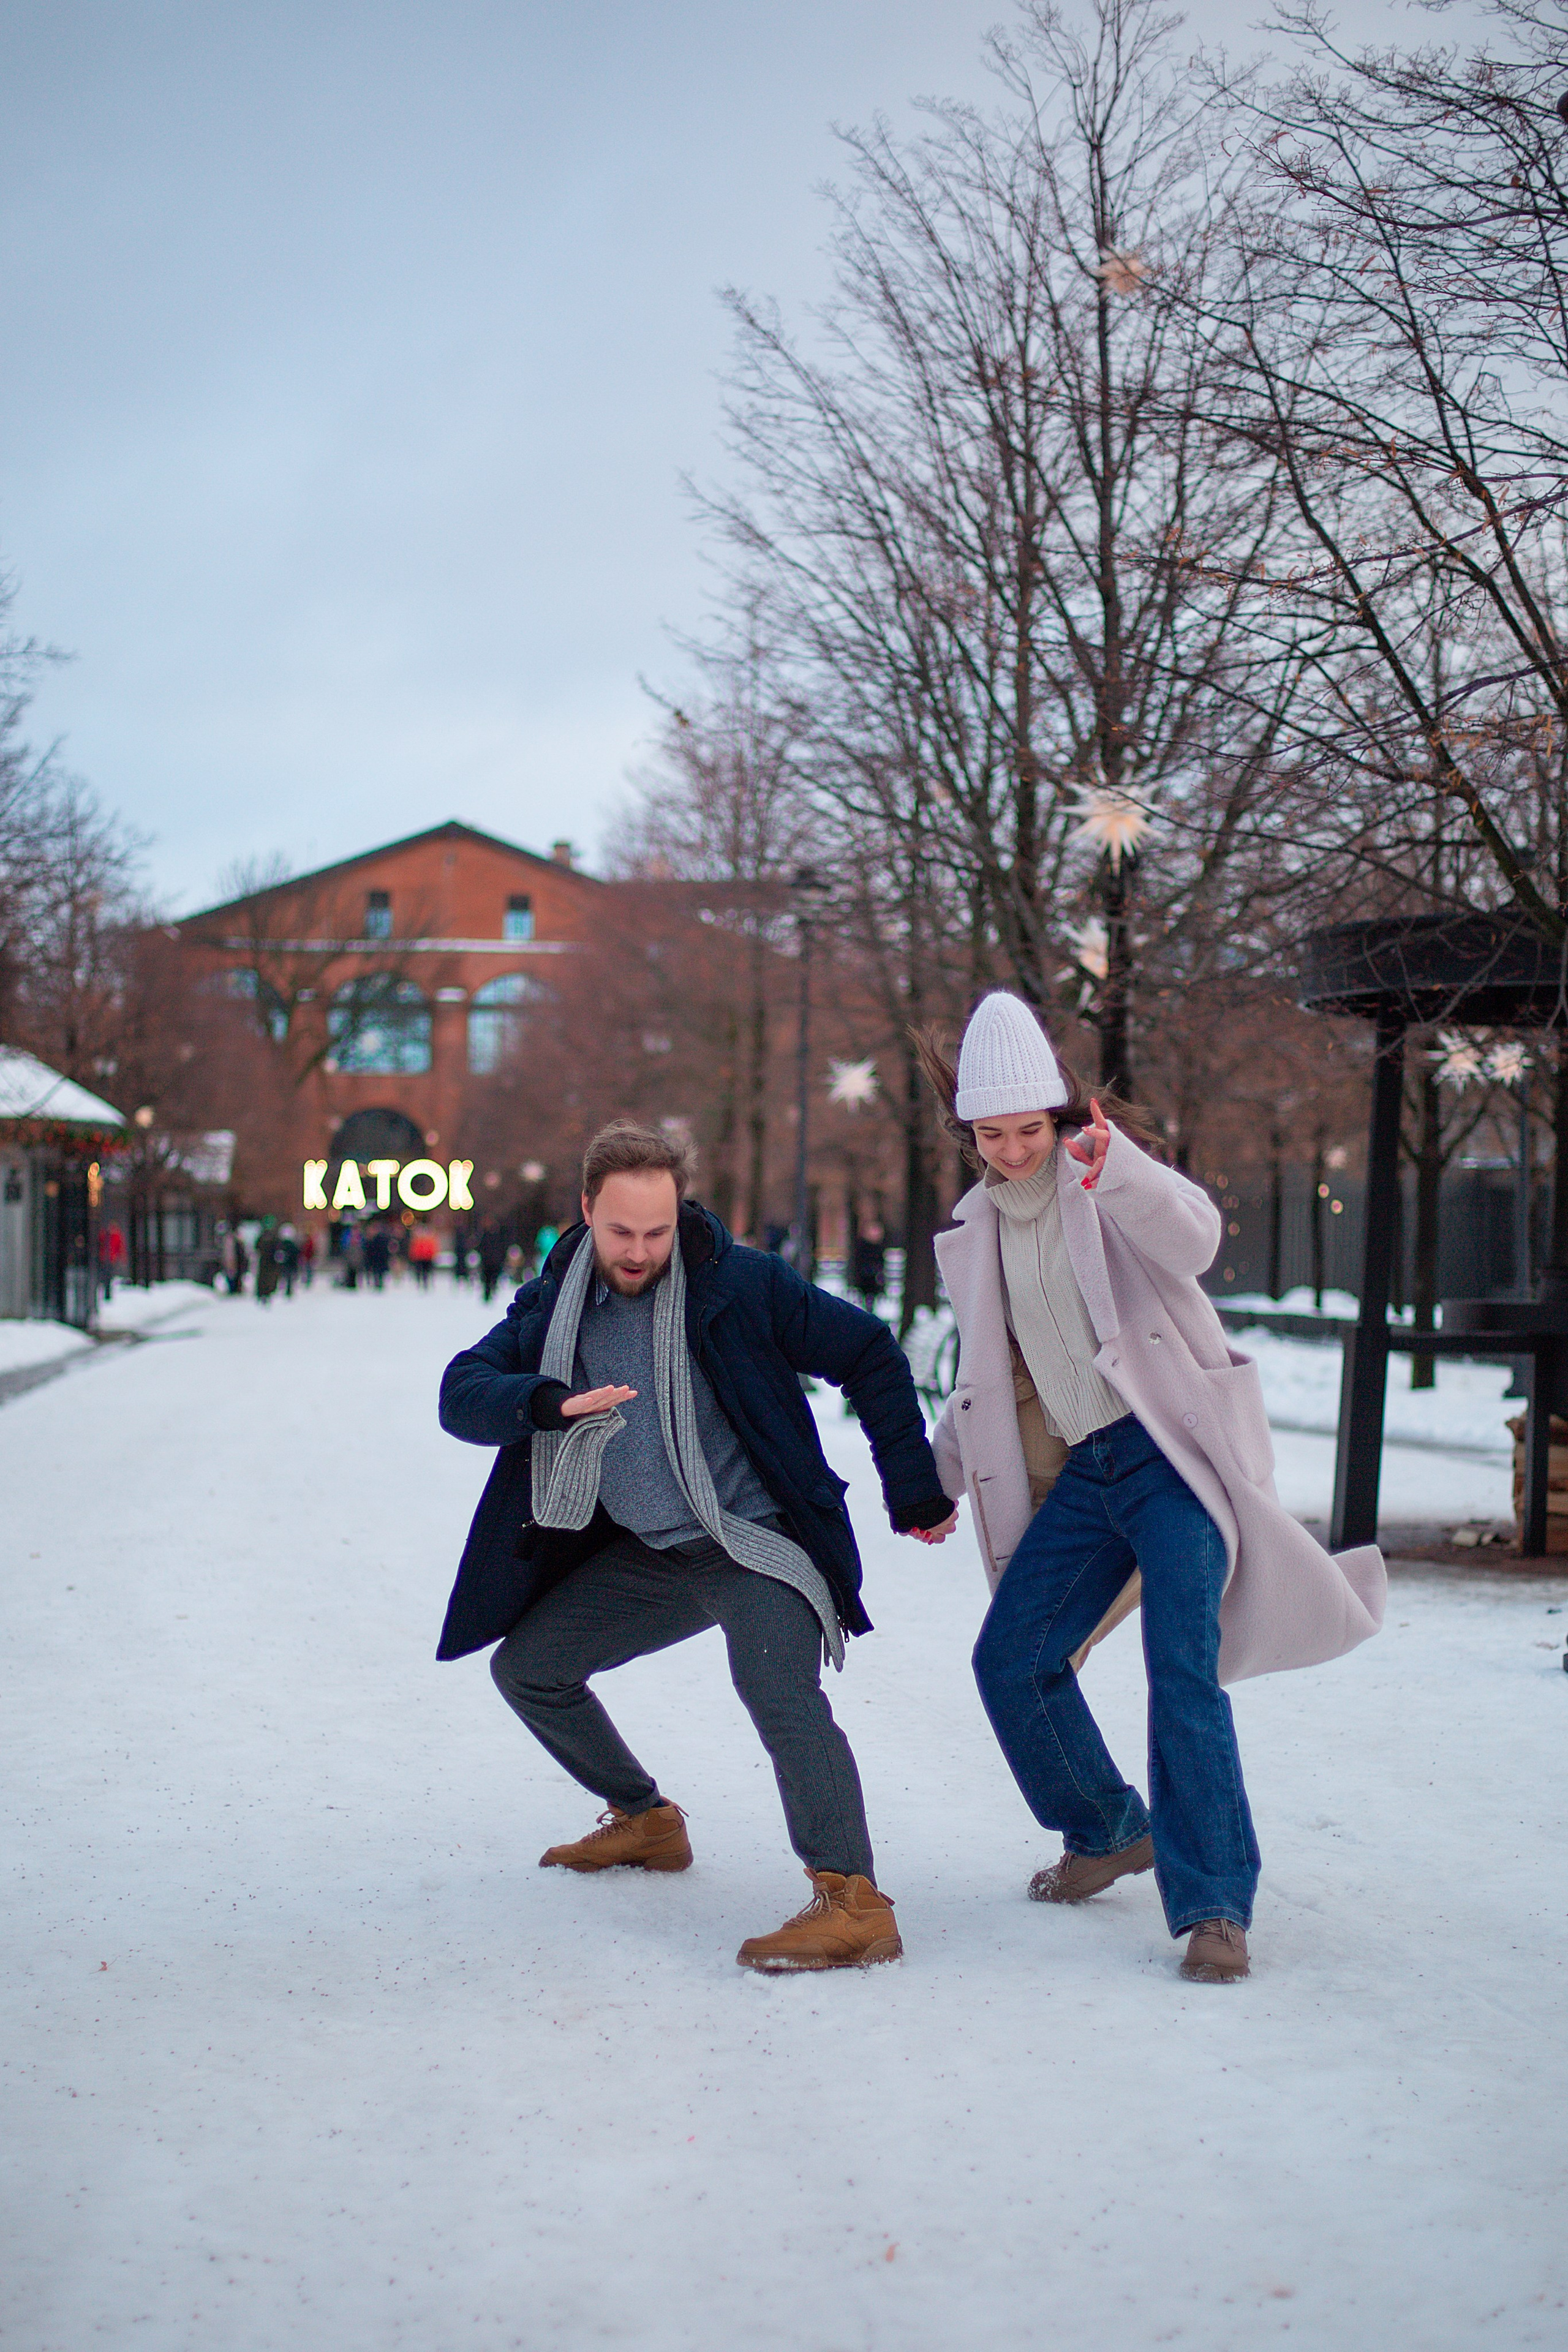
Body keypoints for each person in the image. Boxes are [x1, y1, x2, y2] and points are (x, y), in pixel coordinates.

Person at [922, 994, 1386, 1985]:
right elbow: (982, 1377)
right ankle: (1105, 1827)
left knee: (1183, 1669)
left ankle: (1215, 1905)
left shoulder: (1103, 1183)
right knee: (1013, 1658)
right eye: (992, 1135)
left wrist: (1115, 1167)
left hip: (1171, 1457)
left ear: (1060, 1116)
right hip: (1089, 1472)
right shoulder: (973, 1232)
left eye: (1028, 1130)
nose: (1012, 1152)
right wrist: (937, 1482)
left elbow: (1195, 1240)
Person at [437, 1120, 957, 1973]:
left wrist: (914, 1490)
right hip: (657, 1552)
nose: (640, 1251)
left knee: (774, 1684)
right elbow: (463, 1392)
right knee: (528, 1668)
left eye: (657, 1230)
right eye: (620, 1232)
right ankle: (646, 1821)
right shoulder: (553, 1304)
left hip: (754, 1538)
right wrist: (543, 1403)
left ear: (679, 1212)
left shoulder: (739, 1285)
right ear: (586, 1212)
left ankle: (854, 1901)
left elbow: (867, 1350)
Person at [851, 1221, 886, 1313]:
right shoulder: (863, 1246)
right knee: (865, 1293)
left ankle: (870, 1308)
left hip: (873, 1277)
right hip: (865, 1276)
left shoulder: (879, 1248)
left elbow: (881, 1263)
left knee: (872, 1294)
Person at [477, 1221, 508, 1303]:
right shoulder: (498, 1238)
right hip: (492, 1262)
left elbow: (480, 1248)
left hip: (489, 1262)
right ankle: (489, 1293)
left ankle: (488, 1294)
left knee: (488, 1280)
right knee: (490, 1279)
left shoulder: (486, 1237)